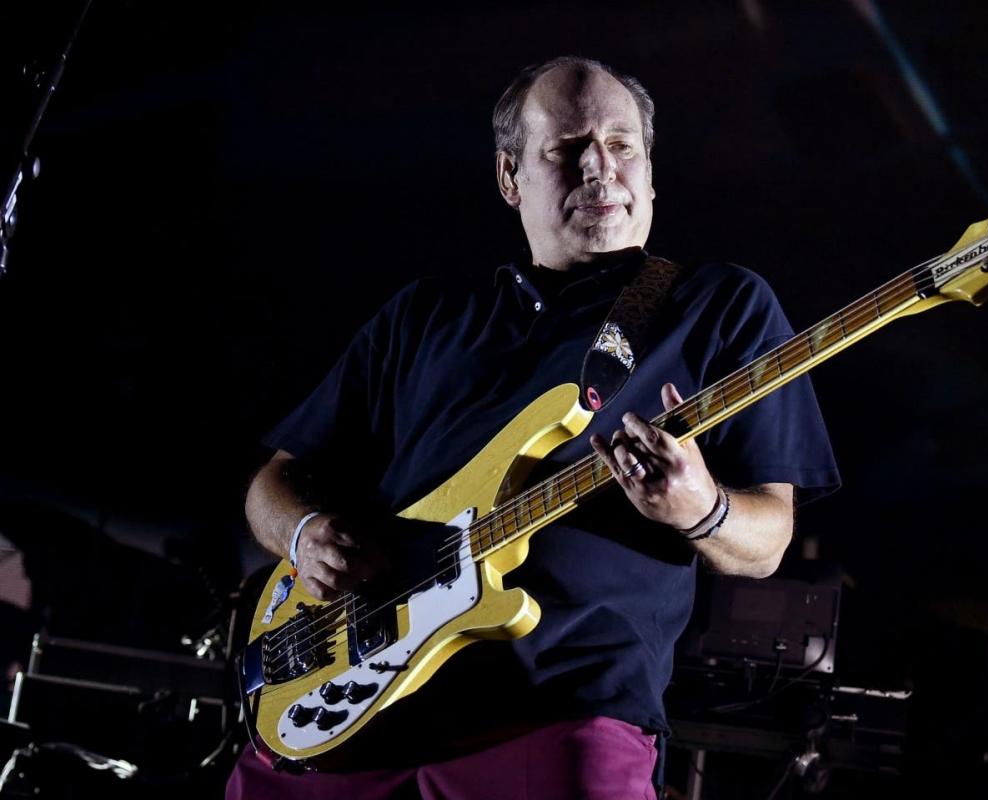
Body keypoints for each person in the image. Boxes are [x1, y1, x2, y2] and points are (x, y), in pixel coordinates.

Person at [226, 55, 839, 800]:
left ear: (650, 175)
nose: (599, 167)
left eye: (622, 145)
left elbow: (768, 540)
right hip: (353, 719)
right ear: (509, 176)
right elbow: (274, 481)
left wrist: (700, 507)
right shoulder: (427, 313)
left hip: (560, 720)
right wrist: (303, 535)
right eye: (567, 148)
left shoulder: (720, 306)